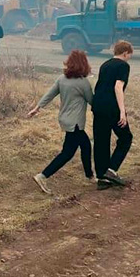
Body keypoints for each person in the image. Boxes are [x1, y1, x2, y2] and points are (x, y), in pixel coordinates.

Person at [27, 50, 95, 194]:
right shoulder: (83, 83)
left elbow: (49, 94)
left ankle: (89, 175)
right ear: (84, 64)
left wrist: (37, 108)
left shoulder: (61, 78)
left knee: (86, 145)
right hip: (75, 122)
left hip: (64, 119)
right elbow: (92, 101)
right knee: (67, 153)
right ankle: (42, 176)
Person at [92, 41, 134, 190]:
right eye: (130, 55)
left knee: (101, 141)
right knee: (126, 138)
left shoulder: (105, 64)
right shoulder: (123, 66)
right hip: (111, 107)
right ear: (125, 53)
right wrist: (122, 111)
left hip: (97, 106)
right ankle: (111, 170)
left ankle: (102, 179)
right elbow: (118, 86)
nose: (129, 58)